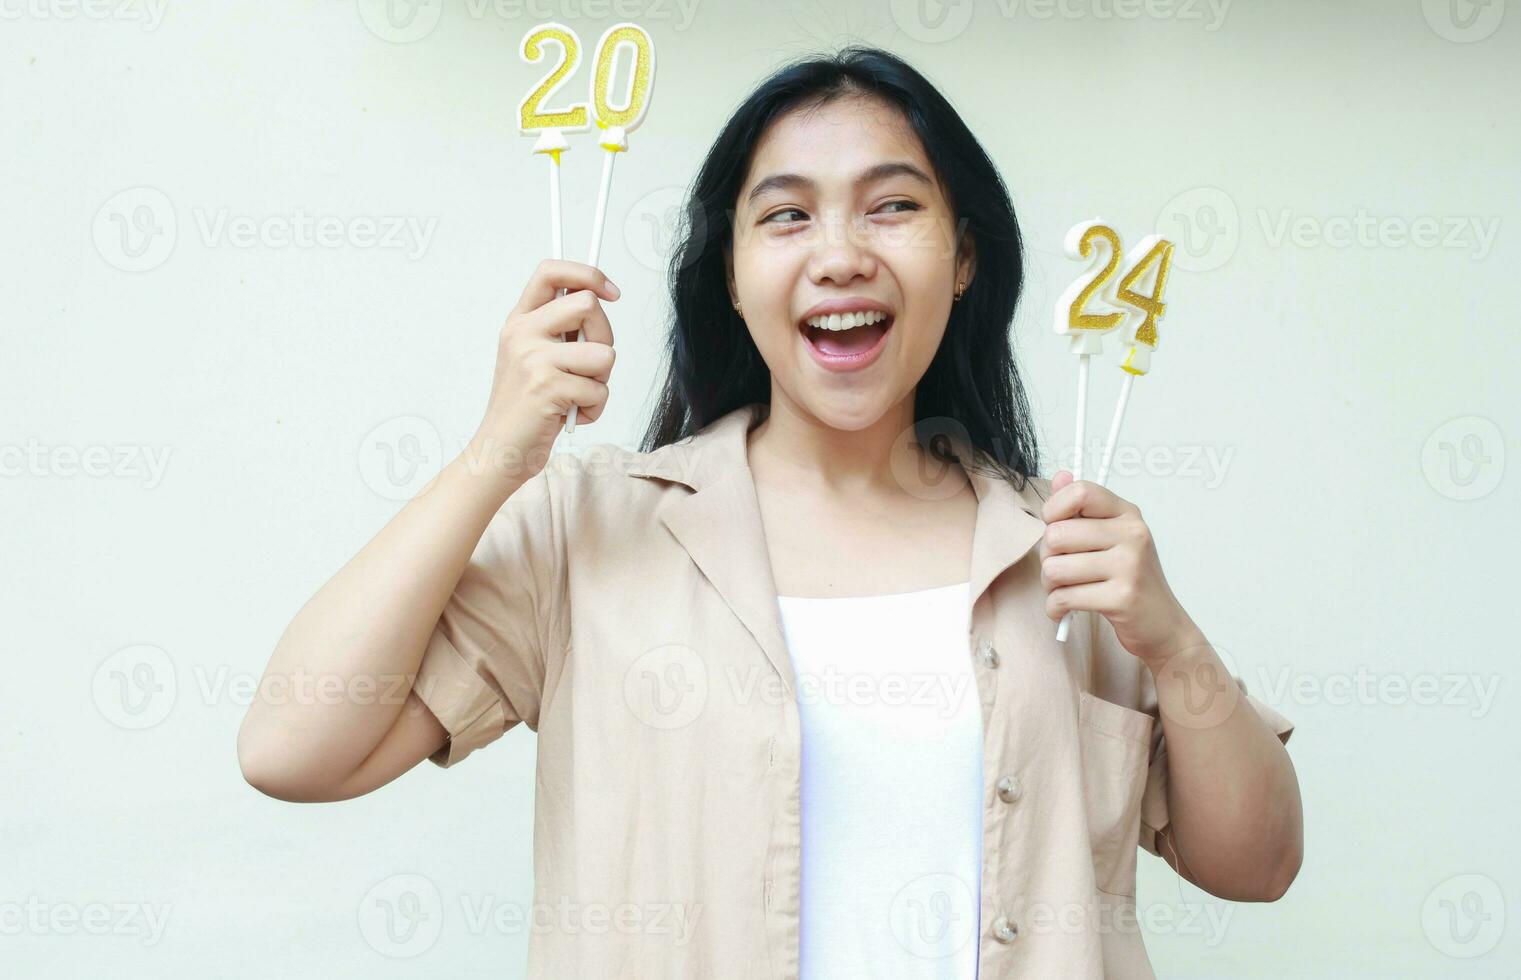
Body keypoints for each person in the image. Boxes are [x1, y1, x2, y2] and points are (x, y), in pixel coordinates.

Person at [238, 46, 1301, 979]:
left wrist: (1170, 637)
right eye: (787, 215)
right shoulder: (595, 530)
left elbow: (1259, 864)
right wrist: (495, 455)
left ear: (965, 257)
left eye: (893, 205)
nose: (840, 252)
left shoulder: (1063, 555)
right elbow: (293, 746)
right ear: (734, 279)